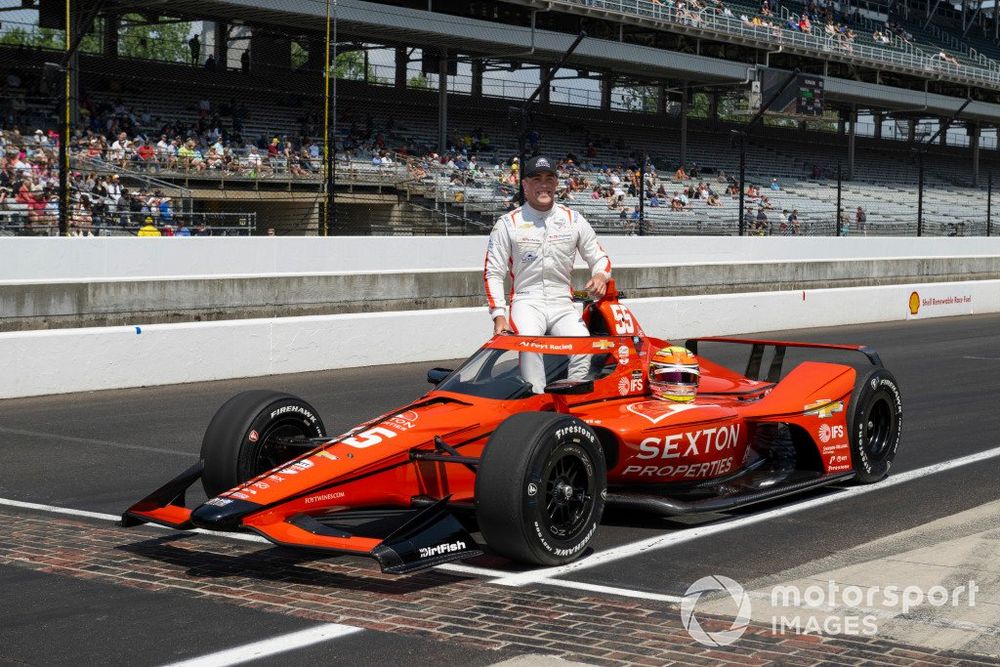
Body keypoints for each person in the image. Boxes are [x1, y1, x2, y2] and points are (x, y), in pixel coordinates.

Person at [484, 155, 612, 393]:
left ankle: (571, 400)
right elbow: (493, 272)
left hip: (562, 301)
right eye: (537, 179)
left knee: (583, 344)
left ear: (556, 184)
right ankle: (537, 401)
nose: (543, 185)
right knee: (529, 343)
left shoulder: (573, 220)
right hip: (526, 300)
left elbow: (600, 258)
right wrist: (499, 316)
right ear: (525, 185)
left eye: (549, 178)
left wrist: (600, 276)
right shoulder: (507, 223)